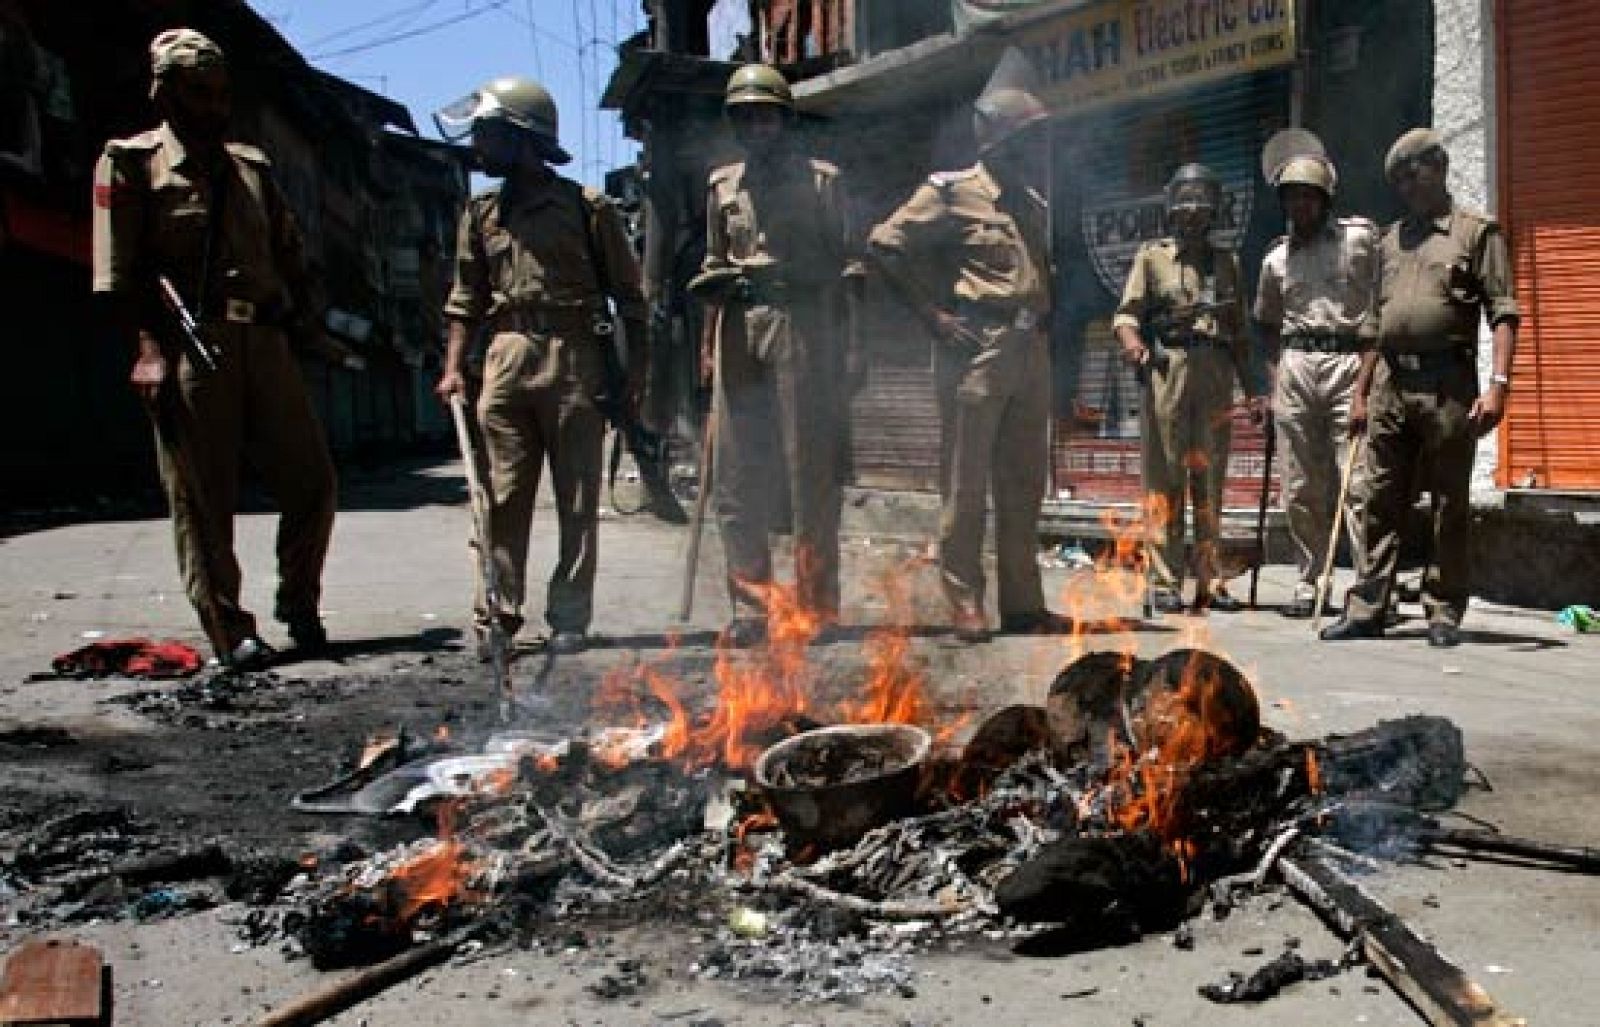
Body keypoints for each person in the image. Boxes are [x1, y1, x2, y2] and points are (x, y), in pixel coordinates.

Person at [91, 28, 339, 669]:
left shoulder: (251, 168)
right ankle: (230, 630)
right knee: (203, 499)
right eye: (199, 93)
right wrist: (149, 351)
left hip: (264, 339)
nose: (213, 106)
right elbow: (122, 273)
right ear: (165, 92)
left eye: (222, 93)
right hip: (189, 345)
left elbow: (290, 253)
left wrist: (308, 325)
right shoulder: (131, 162)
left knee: (312, 481)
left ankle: (300, 604)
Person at [434, 76, 649, 656]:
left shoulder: (587, 208)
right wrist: (453, 368)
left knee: (577, 497)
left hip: (575, 358)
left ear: (522, 137)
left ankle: (570, 617)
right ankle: (497, 613)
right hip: (505, 358)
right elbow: (464, 300)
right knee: (501, 497)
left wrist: (635, 378)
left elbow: (632, 301)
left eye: (487, 133)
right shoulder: (481, 214)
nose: (477, 146)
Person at [869, 49, 1069, 642]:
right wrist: (932, 315)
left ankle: (1024, 604)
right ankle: (965, 602)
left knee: (1024, 482)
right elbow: (883, 244)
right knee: (965, 483)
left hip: (1029, 347)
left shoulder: (1033, 203)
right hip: (977, 346)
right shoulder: (952, 192)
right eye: (1027, 140)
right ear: (1000, 141)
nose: (1035, 150)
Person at [1320, 128, 1519, 647]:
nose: (1408, 186)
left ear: (1441, 167)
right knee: (1379, 497)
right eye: (1399, 180)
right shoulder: (1389, 242)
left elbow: (1503, 313)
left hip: (1448, 384)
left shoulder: (1476, 233)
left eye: (1414, 174)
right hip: (1390, 383)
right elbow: (1373, 326)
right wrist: (1360, 394)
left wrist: (1498, 386)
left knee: (1449, 500)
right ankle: (1368, 608)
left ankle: (1443, 610)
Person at [688, 64, 860, 645]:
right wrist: (707, 347)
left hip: (802, 324)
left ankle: (817, 606)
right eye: (745, 118)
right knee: (735, 476)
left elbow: (849, 267)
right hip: (738, 328)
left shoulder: (823, 182)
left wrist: (851, 345)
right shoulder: (722, 187)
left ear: (785, 121)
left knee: (810, 473)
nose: (756, 127)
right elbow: (713, 268)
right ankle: (750, 607)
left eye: (766, 116)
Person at [1113, 163, 1262, 613]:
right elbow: (1126, 315)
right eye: (1185, 202)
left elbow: (1239, 332)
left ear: (1215, 209)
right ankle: (1163, 580)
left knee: (1210, 481)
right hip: (1169, 370)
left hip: (1214, 372)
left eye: (1202, 202)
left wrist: (1252, 390)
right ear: (1171, 208)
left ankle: (1209, 581)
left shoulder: (1226, 263)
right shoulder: (1151, 257)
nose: (1193, 211)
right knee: (1165, 477)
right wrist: (1134, 345)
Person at [1253, 150, 1379, 618]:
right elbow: (1266, 325)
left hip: (1348, 362)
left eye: (1309, 197)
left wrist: (1367, 386)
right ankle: (1311, 583)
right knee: (1300, 486)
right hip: (1296, 366)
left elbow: (1381, 309)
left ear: (1326, 200)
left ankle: (1369, 590)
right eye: (1292, 198)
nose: (1300, 206)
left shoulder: (1360, 241)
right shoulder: (1275, 259)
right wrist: (1274, 386)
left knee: (1359, 484)